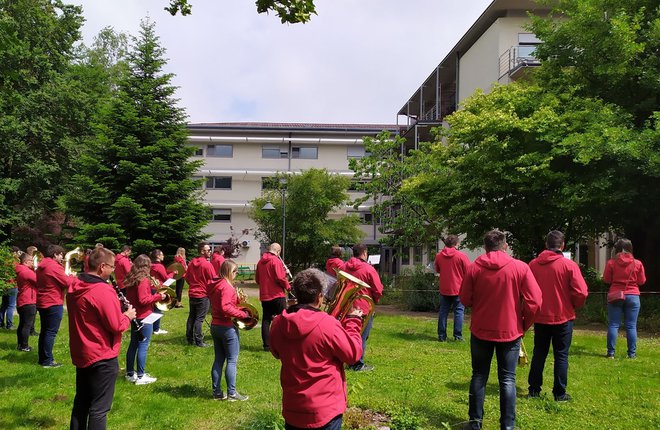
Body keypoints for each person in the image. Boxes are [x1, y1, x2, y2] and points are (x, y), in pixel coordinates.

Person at [459, 230, 542, 430]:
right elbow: (535, 302)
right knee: (507, 379)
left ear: (485, 246)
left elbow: (464, 298)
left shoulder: (474, 268)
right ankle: (507, 426)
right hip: (510, 330)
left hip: (481, 329)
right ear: (505, 245)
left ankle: (475, 422)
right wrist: (524, 323)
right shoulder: (520, 267)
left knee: (479, 375)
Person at [270, 268, 363, 430]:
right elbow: (353, 355)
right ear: (320, 296)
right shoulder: (327, 324)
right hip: (324, 411)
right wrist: (353, 322)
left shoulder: (278, 323)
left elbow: (276, 352)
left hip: (293, 409)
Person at [67, 247, 136, 429]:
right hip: (101, 354)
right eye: (112, 267)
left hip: (82, 351)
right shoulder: (102, 290)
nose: (113, 270)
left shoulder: (74, 285)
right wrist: (127, 315)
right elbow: (116, 325)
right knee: (99, 409)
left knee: (81, 402)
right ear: (102, 267)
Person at [528, 230, 588, 401]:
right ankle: (559, 393)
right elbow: (581, 292)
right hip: (563, 315)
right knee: (561, 355)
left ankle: (534, 389)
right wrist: (574, 305)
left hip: (540, 316)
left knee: (539, 352)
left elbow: (528, 290)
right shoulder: (569, 266)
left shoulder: (533, 265)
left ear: (546, 245)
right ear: (562, 246)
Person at [208, 259, 250, 401]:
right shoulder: (226, 286)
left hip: (215, 325)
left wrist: (238, 301)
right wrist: (243, 314)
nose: (236, 273)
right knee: (232, 360)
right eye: (234, 271)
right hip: (226, 327)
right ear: (228, 271)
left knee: (219, 359)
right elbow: (226, 308)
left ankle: (217, 393)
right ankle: (232, 393)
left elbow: (223, 304)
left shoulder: (217, 284)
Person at [124, 254, 167, 385]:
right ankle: (141, 376)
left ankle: (130, 373)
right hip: (144, 316)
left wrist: (153, 289)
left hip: (135, 315)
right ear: (145, 266)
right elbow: (143, 300)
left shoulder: (132, 278)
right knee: (143, 345)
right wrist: (158, 297)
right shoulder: (142, 279)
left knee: (133, 344)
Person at [342, 244, 383, 371]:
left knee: (348, 333)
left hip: (347, 305)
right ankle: (357, 364)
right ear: (364, 253)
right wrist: (374, 302)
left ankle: (346, 358)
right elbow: (378, 289)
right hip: (363, 306)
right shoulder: (369, 269)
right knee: (362, 335)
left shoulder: (344, 266)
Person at [603, 238, 646, 359]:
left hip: (615, 295)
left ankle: (610, 353)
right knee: (631, 326)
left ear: (616, 249)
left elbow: (606, 279)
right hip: (633, 295)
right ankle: (631, 354)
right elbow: (642, 281)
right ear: (630, 248)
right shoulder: (637, 263)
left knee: (613, 324)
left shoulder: (611, 263)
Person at [36, 244, 75, 368]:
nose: (62, 257)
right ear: (55, 255)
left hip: (42, 301)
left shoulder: (42, 265)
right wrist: (71, 276)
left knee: (44, 331)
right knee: (50, 332)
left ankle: (42, 358)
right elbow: (67, 282)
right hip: (53, 301)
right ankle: (48, 361)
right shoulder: (53, 266)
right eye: (60, 254)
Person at [434, 235, 470, 342]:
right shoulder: (461, 256)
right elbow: (469, 271)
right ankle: (457, 336)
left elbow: (438, 269)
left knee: (443, 312)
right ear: (456, 244)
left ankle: (441, 335)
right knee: (459, 312)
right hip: (459, 288)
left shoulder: (439, 256)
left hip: (444, 288)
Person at [255, 243, 291, 351]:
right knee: (283, 319)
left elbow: (257, 280)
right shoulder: (275, 261)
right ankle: (283, 343)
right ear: (278, 251)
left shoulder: (260, 261)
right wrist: (288, 286)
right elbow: (280, 278)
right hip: (277, 295)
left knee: (266, 320)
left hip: (265, 295)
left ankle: (267, 345)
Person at [184, 242, 215, 347]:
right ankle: (199, 341)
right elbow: (213, 280)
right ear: (202, 251)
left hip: (192, 293)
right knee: (199, 319)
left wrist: (194, 285)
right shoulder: (207, 264)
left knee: (192, 317)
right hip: (202, 295)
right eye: (208, 250)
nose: (210, 252)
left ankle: (189, 339)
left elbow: (187, 278)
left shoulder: (192, 263)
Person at [149, 249, 175, 335]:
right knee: (158, 309)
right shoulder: (159, 266)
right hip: (158, 289)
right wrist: (173, 273)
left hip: (150, 288)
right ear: (158, 256)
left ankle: (150, 327)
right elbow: (166, 279)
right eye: (162, 255)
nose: (163, 256)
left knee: (151, 309)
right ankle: (156, 329)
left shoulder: (150, 265)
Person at [16, 252, 37, 352]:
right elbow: (39, 282)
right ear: (25, 262)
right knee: (27, 325)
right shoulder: (27, 272)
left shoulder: (21, 270)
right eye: (31, 261)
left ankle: (20, 344)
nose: (33, 262)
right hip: (28, 300)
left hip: (22, 300)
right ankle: (24, 346)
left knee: (22, 324)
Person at [0, 247, 19, 329]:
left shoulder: (5, 261)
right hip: (13, 285)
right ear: (14, 252)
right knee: (11, 306)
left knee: (4, 305)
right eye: (17, 252)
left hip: (5, 285)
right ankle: (9, 324)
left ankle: (0, 323)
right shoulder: (15, 262)